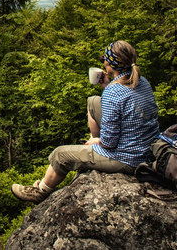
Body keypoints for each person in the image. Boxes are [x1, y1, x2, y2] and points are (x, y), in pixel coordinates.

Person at [11, 40, 159, 203]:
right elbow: (124, 103)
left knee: (60, 155)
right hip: (145, 149)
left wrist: (97, 142)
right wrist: (106, 85)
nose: (103, 63)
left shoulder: (113, 92)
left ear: (110, 64)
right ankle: (91, 150)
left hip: (128, 158)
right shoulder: (141, 81)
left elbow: (110, 142)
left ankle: (40, 192)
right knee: (93, 102)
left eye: (105, 59)